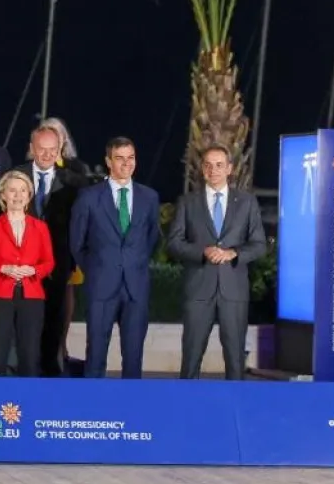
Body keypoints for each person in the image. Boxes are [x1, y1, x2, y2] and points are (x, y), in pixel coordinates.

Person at [166, 144, 267, 380]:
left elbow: (259, 245)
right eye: (208, 165)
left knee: (235, 361)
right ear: (202, 169)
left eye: (219, 165)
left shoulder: (246, 203)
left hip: (234, 292)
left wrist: (234, 253)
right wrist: (202, 252)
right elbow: (174, 243)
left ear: (230, 168)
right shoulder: (188, 202)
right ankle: (186, 402)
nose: (214, 170)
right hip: (198, 291)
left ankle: (236, 404)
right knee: (191, 360)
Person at [69, 136, 160, 379]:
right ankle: (93, 401)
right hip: (101, 285)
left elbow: (152, 237)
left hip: (136, 288)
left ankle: (131, 402)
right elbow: (77, 243)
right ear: (109, 161)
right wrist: (96, 269)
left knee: (134, 357)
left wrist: (134, 263)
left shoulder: (149, 197)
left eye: (131, 158)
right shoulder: (89, 197)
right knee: (96, 355)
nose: (126, 164)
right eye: (120, 158)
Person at [16, 124, 87, 376]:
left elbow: (79, 226)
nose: (47, 155)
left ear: (59, 150)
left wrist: (73, 260)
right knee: (23, 323)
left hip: (57, 264)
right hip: (20, 266)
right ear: (32, 148)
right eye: (42, 149)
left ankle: (49, 374)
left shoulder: (73, 183)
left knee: (53, 321)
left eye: (52, 150)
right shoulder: (16, 177)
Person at [0, 171, 54, 377]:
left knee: (30, 353)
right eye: (12, 190)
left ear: (29, 195)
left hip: (32, 295)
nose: (18, 195)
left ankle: (28, 395)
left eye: (23, 191)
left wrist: (34, 270)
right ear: (2, 195)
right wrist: (4, 268)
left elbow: (49, 263)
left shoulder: (40, 227)